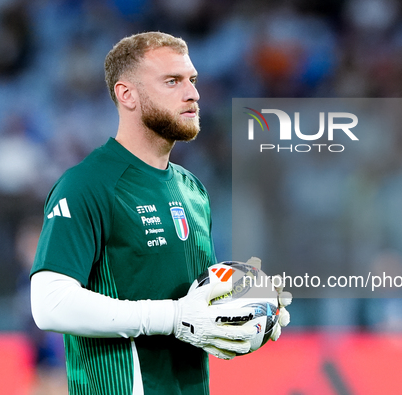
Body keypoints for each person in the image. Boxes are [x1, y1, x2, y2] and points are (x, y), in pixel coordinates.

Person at [30, 31, 290, 395]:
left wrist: (251, 308)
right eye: (172, 81)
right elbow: (49, 304)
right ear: (127, 95)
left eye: (193, 80)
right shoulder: (87, 184)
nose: (193, 93)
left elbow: (196, 312)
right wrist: (172, 317)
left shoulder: (193, 190)